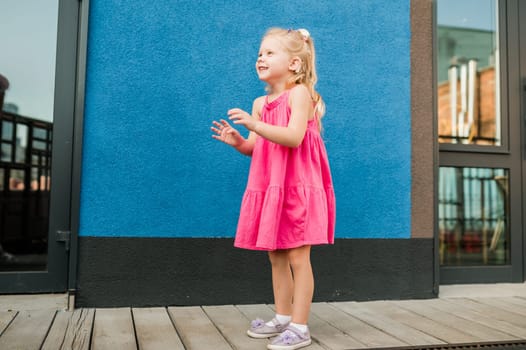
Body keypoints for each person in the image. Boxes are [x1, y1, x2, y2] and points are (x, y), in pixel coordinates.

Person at [211, 27, 335, 350]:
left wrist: (255, 125)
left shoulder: (300, 94)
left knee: (298, 256)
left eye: (269, 53)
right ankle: (282, 317)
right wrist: (239, 140)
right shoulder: (259, 103)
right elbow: (256, 146)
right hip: (272, 187)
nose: (260, 58)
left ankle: (300, 325)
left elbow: (293, 137)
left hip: (298, 187)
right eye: (259, 54)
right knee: (276, 255)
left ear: (294, 64)